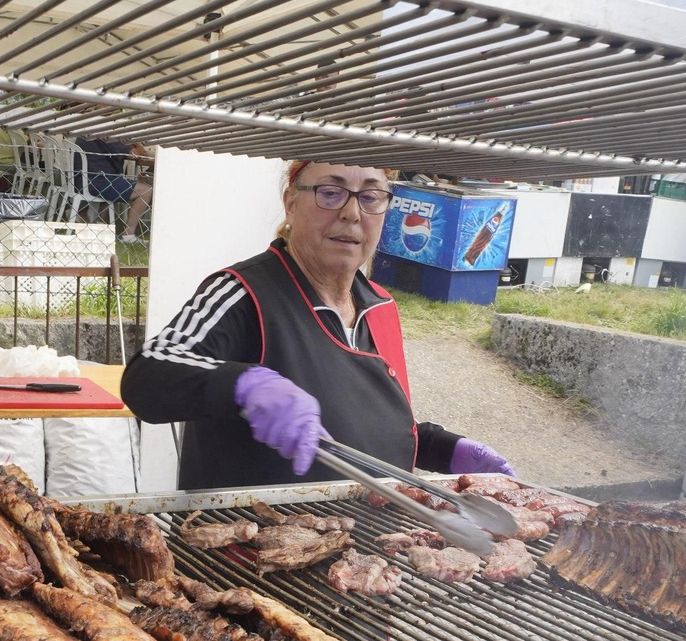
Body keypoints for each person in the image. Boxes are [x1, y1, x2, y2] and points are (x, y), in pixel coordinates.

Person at [121, 160, 514, 490]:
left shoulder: (380, 306)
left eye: (371, 196)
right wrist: (244, 384)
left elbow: (365, 426)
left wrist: (442, 448)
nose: (351, 212)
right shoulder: (242, 293)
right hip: (250, 562)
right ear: (290, 203)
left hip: (367, 557)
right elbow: (147, 375)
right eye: (331, 192)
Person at [76, 137, 153, 240]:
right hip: (100, 182)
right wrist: (138, 143)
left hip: (81, 181)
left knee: (121, 183)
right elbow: (136, 154)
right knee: (146, 191)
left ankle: (98, 221)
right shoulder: (107, 135)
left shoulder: (85, 132)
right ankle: (128, 235)